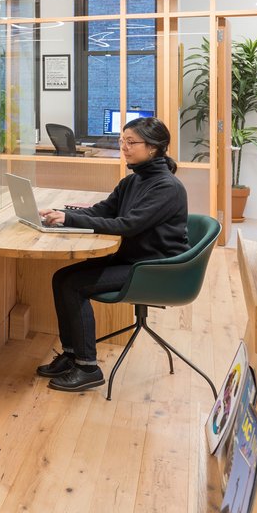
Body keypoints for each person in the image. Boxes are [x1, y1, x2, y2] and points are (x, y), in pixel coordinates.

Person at [36, 116, 188, 392]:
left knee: (73, 285)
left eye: (131, 142)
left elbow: (127, 225)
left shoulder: (166, 187)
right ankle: (71, 354)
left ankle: (87, 367)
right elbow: (101, 211)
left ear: (153, 147)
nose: (124, 147)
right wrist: (62, 214)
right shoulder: (133, 181)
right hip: (132, 258)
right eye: (122, 141)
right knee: (62, 278)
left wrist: (70, 221)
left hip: (153, 267)